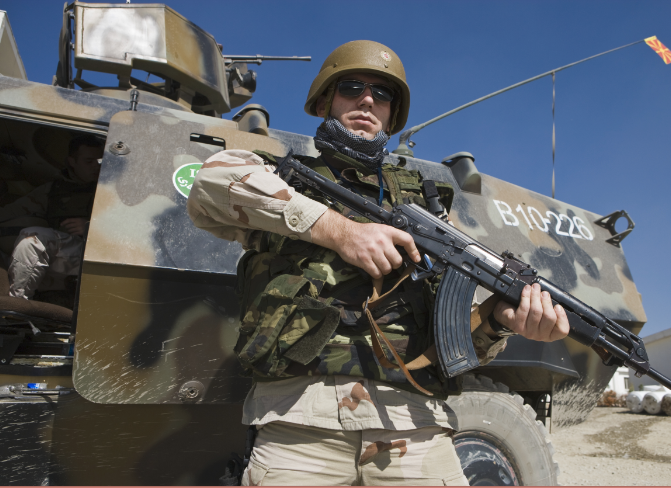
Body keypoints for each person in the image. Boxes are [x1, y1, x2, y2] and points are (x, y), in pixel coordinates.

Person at [188, 41, 569, 486]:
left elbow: (450, 345)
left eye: (382, 95)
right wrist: (340, 231)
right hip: (302, 418)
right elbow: (210, 182)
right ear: (326, 100)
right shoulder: (284, 178)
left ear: (392, 113)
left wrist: (497, 322)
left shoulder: (431, 211)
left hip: (416, 423)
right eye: (351, 87)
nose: (367, 100)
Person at [0, 134, 104, 301]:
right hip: (60, 253)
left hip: (97, 252)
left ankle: (16, 305)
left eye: (100, 162)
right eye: (89, 161)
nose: (96, 167)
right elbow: (12, 212)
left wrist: (90, 227)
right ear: (72, 161)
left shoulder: (111, 191)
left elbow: (133, 229)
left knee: (32, 240)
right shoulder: (52, 191)